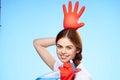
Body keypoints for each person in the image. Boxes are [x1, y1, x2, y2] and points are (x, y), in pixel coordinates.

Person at [34, 1, 92, 80]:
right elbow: (37, 43)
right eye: (60, 46)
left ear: (77, 49)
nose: (63, 51)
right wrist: (62, 38)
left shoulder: (83, 76)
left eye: (69, 47)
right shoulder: (61, 67)